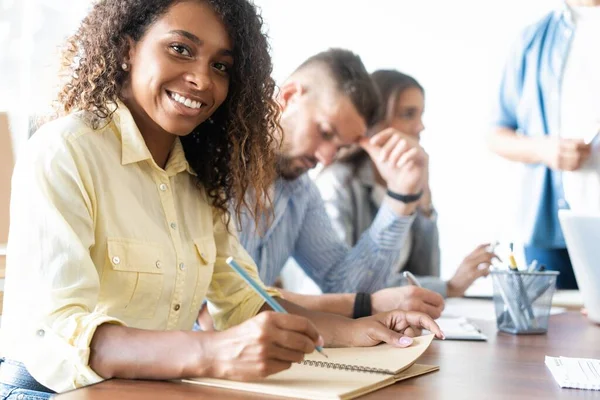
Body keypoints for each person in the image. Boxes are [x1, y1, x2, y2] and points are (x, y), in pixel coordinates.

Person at [0, 1, 443, 398]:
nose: (201, 78)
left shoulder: (199, 177)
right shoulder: (66, 150)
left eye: (222, 66)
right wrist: (212, 351)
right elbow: (55, 336)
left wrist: (357, 331)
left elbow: (245, 302)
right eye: (180, 48)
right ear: (126, 48)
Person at [231, 49, 447, 322]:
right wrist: (365, 305)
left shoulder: (301, 193)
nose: (326, 158)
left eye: (340, 146)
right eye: (325, 132)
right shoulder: (209, 168)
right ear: (289, 97)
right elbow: (226, 302)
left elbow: (346, 285)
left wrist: (400, 198)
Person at [314, 70, 497, 298]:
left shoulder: (406, 182)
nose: (420, 127)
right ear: (373, 121)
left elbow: (424, 274)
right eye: (408, 114)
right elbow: (346, 290)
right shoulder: (337, 183)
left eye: (421, 115)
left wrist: (424, 201)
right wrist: (448, 287)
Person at [487, 0, 600, 289]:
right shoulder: (533, 40)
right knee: (557, 331)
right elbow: (496, 134)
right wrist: (543, 150)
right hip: (550, 229)